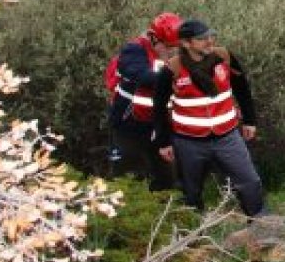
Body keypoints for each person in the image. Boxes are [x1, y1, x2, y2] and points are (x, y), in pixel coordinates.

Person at [153, 19, 266, 216]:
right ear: (186, 43)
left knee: (249, 181)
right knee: (191, 191)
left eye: (211, 36)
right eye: (202, 38)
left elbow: (242, 88)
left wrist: (250, 120)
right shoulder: (172, 69)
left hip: (228, 137)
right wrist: (163, 142)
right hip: (188, 142)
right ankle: (194, 234)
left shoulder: (224, 57)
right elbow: (159, 107)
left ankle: (260, 222)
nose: (209, 41)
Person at [107, 12, 180, 191]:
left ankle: (163, 210)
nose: (170, 50)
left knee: (165, 174)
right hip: (129, 123)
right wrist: (175, 78)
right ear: (153, 37)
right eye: (166, 45)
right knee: (126, 173)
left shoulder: (177, 54)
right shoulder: (134, 50)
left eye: (174, 46)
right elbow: (141, 75)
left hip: (159, 124)